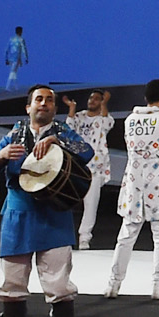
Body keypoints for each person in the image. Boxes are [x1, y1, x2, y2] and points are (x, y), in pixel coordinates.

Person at [0, 84, 95, 317]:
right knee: (13, 284)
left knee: (59, 284)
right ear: (28, 107)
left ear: (54, 108)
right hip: (18, 215)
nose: (44, 104)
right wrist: (1, 157)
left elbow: (87, 151)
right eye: (39, 99)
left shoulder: (62, 133)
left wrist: (58, 142)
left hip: (54, 216)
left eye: (49, 100)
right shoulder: (13, 135)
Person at [105, 79, 159, 300]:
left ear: (145, 97)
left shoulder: (130, 120)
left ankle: (113, 285)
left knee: (126, 236)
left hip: (134, 185)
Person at [64, 91, 114, 251]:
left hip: (95, 167)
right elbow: (68, 129)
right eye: (91, 98)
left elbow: (107, 124)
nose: (92, 101)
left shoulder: (104, 118)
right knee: (66, 200)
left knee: (90, 204)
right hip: (77, 165)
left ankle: (85, 237)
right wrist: (71, 108)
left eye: (97, 99)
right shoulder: (80, 116)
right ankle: (63, 236)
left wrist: (105, 104)